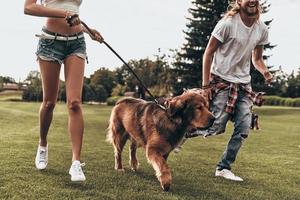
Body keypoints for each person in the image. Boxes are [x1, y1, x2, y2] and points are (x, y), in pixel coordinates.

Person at [185, 0, 273, 181]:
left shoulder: (261, 29)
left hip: (244, 84)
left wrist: (264, 70)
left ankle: (223, 168)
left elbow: (257, 58)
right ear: (239, 2)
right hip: (222, 81)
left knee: (243, 126)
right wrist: (206, 86)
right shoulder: (227, 24)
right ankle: (181, 132)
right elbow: (208, 53)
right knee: (215, 126)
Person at [24, 0, 103, 181]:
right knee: (49, 102)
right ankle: (43, 145)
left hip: (77, 43)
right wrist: (64, 15)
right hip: (50, 42)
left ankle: (76, 163)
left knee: (74, 103)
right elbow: (28, 8)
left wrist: (89, 31)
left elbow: (73, 11)